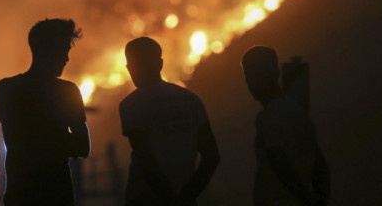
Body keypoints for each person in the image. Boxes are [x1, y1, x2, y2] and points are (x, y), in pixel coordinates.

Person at [0, 18, 90, 206]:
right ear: (46, 49)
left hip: (20, 194)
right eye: (63, 50)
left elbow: (18, 141)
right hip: (56, 195)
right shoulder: (67, 91)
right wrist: (59, 138)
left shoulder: (7, 88)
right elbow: (81, 145)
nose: (66, 58)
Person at [119, 37, 220, 206]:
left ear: (129, 67)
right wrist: (188, 195)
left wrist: (168, 198)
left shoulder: (131, 104)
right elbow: (211, 156)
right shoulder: (190, 100)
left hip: (144, 196)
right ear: (160, 64)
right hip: (185, 194)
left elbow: (144, 158)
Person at [241, 46, 330, 206]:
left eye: (252, 73)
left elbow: (280, 164)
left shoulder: (268, 118)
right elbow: (319, 165)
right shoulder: (297, 111)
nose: (250, 80)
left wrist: (305, 199)